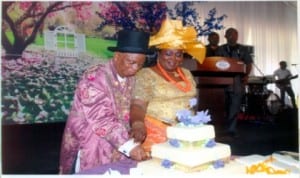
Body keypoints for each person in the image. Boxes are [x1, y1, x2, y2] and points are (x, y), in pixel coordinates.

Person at [59, 30, 152, 174]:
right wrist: (129, 146)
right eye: (131, 62)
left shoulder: (130, 78)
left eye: (140, 64)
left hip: (118, 145)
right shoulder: (94, 76)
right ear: (116, 57)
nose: (135, 69)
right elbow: (101, 118)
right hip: (91, 144)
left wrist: (136, 128)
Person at [129, 19, 206, 152]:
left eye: (178, 54)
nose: (173, 59)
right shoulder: (146, 74)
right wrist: (137, 124)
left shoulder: (187, 73)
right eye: (168, 53)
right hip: (157, 133)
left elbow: (191, 102)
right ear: (159, 54)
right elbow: (138, 105)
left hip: (187, 132)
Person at [217, 27, 253, 138]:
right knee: (222, 105)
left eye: (235, 34)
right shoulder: (221, 49)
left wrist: (246, 76)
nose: (233, 36)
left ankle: (231, 129)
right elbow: (215, 63)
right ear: (226, 36)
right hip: (222, 80)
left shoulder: (243, 49)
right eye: (230, 34)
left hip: (237, 80)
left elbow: (248, 63)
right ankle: (220, 128)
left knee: (235, 105)